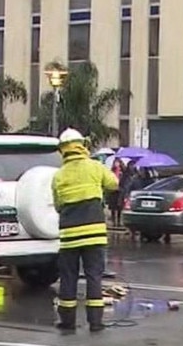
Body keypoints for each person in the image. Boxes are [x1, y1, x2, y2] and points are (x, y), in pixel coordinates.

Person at [52, 127, 119, 332]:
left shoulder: (59, 176)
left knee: (68, 277)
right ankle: (96, 322)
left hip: (69, 236)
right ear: (82, 145)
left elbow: (57, 205)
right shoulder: (95, 167)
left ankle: (67, 321)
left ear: (63, 149)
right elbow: (114, 184)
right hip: (95, 235)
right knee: (94, 276)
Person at [107, 157, 125, 227]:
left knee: (119, 207)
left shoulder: (122, 172)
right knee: (113, 207)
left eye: (118, 162)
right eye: (116, 162)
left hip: (120, 191)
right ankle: (114, 221)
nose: (117, 164)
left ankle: (119, 221)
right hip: (113, 191)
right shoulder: (111, 172)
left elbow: (124, 180)